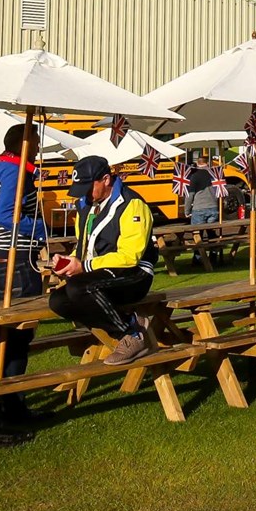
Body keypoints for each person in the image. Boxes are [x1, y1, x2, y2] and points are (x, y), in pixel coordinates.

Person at [0, 122, 49, 425]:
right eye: (37, 143)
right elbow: (4, 215)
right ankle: (12, 405)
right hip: (17, 262)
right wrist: (39, 230)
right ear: (25, 145)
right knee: (19, 333)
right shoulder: (17, 173)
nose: (40, 148)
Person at [48, 155, 157, 364]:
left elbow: (130, 257)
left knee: (79, 289)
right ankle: (121, 331)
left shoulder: (132, 204)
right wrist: (68, 261)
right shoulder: (85, 206)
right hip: (98, 273)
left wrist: (85, 266)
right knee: (58, 301)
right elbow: (84, 245)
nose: (85, 195)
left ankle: (133, 332)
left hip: (135, 274)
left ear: (106, 180)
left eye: (88, 188)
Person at [183, 158, 222, 226]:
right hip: (213, 207)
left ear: (197, 164)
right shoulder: (215, 174)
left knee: (197, 232)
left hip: (199, 208)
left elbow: (190, 195)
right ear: (207, 163)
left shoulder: (194, 175)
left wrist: (187, 211)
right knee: (211, 231)